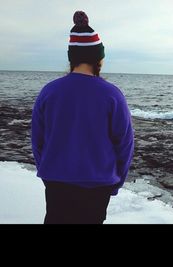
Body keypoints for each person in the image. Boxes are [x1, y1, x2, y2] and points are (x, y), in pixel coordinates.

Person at [31, 11, 134, 224]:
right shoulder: (112, 95)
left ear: (72, 58)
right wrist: (116, 180)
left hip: (57, 182)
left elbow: (37, 140)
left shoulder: (49, 92)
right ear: (99, 59)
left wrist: (48, 170)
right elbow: (124, 144)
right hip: (98, 185)